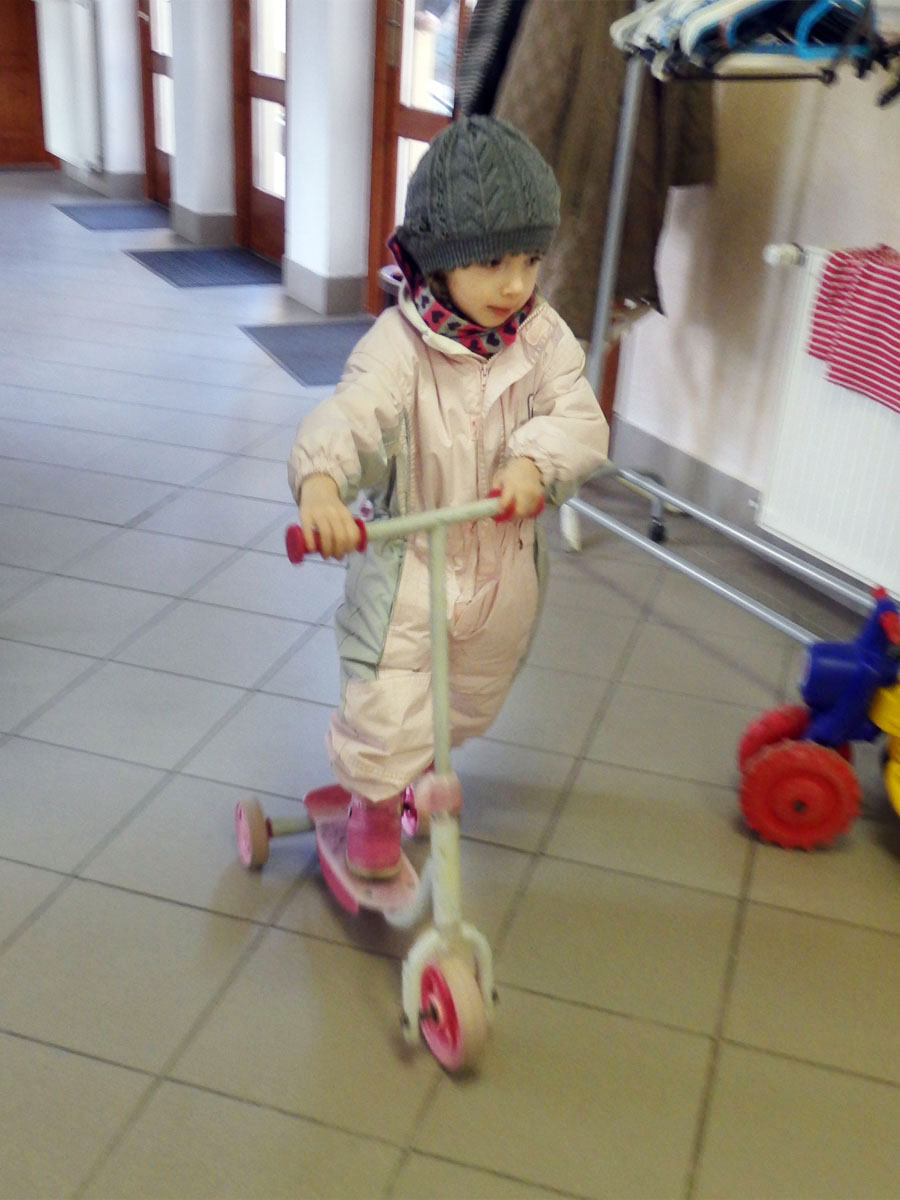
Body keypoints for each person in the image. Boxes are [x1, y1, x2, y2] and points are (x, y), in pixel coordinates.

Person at [288, 115, 609, 881]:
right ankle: (371, 809)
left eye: (530, 260)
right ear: (439, 260)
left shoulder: (544, 339)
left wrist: (534, 463)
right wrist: (323, 484)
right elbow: (353, 413)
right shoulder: (398, 346)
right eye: (493, 262)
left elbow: (579, 418)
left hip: (503, 567)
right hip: (410, 564)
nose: (516, 285)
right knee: (386, 700)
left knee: (468, 699)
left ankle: (414, 771)